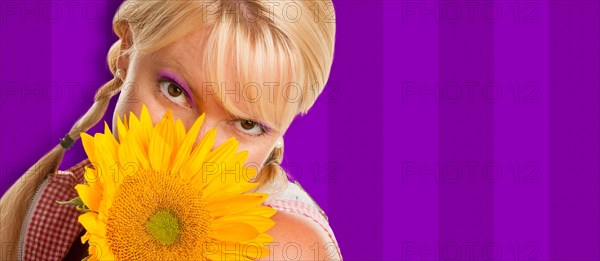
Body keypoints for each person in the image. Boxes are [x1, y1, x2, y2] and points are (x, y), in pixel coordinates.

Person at [0, 0, 339, 260]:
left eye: (247, 124)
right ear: (128, 50)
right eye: (175, 91)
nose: (195, 148)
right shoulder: (48, 209)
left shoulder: (282, 246)